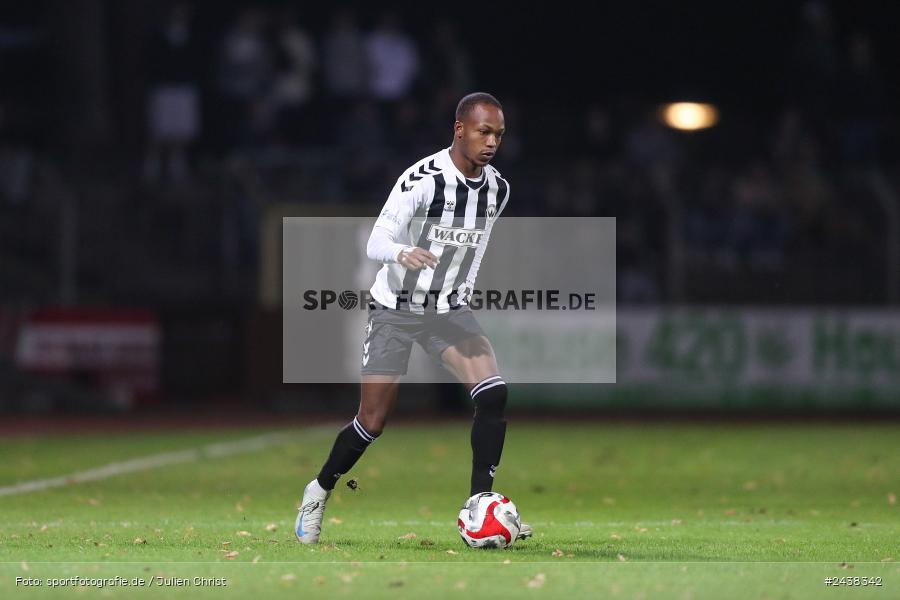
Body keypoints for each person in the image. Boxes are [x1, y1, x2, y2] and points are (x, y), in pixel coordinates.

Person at [295, 92, 532, 544]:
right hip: (395, 310)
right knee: (372, 422)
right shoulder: (421, 180)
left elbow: (476, 248)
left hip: (447, 312)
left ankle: (479, 507)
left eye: (499, 134)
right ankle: (319, 489)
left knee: (494, 394)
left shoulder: (497, 189)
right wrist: (404, 251)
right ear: (459, 129)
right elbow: (376, 241)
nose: (492, 142)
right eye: (484, 131)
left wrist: (461, 292)